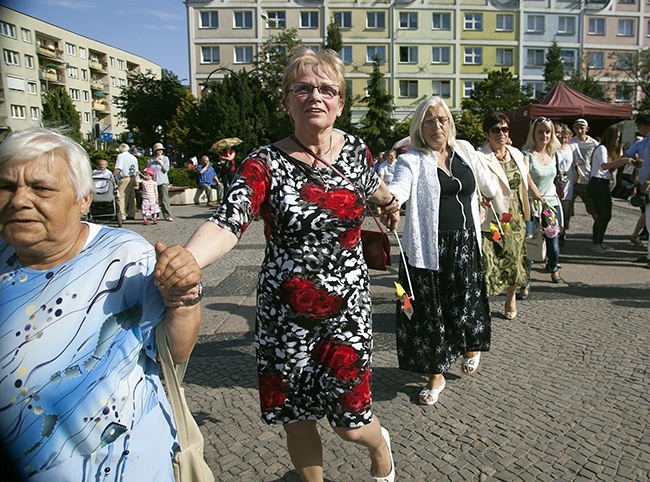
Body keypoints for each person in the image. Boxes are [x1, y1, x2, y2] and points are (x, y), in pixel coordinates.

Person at [154, 47, 398, 482]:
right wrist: (188, 260)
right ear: (286, 102)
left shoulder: (356, 150)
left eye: (327, 88)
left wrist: (389, 202)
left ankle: (381, 448)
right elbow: (228, 220)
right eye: (302, 88)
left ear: (341, 102)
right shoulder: (263, 163)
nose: (315, 97)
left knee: (351, 425)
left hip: (347, 311)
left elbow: (373, 186)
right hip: (284, 315)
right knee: (296, 415)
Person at [0, 128, 203, 480]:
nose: (19, 200)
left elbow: (174, 352)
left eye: (41, 188)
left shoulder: (124, 256)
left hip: (121, 468)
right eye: (5, 186)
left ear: (84, 199)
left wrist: (183, 298)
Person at [384, 96, 497, 406]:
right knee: (430, 311)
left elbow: (488, 185)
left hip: (465, 243)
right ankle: (436, 374)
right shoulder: (412, 159)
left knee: (465, 301)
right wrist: (389, 198)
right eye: (430, 120)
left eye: (442, 119)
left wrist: (490, 190)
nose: (437, 125)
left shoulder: (466, 152)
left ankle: (470, 346)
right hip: (429, 248)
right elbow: (399, 187)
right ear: (420, 126)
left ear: (450, 123)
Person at [477, 112, 532, 319]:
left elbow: (525, 178)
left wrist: (539, 197)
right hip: (492, 217)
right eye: (496, 130)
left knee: (513, 259)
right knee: (488, 261)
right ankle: (483, 302)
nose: (501, 133)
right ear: (487, 133)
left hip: (514, 217)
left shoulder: (517, 154)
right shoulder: (481, 157)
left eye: (504, 129)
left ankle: (511, 299)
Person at [522, 117, 563, 283]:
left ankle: (553, 267)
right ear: (534, 133)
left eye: (547, 132)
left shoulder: (554, 154)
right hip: (532, 205)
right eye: (540, 131)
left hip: (550, 204)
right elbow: (525, 174)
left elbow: (561, 175)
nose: (544, 135)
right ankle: (526, 281)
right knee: (530, 241)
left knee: (552, 242)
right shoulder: (527, 154)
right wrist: (534, 191)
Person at [588, 124, 637, 253]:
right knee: (602, 214)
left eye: (618, 138)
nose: (616, 141)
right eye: (615, 138)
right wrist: (622, 161)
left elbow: (610, 168)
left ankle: (600, 241)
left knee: (607, 215)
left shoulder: (611, 151)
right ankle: (596, 243)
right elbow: (604, 166)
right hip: (597, 182)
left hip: (604, 183)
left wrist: (623, 161)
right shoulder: (602, 148)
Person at [626, 114, 650, 247]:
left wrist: (647, 181)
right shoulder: (643, 142)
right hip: (643, 182)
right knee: (647, 211)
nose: (638, 129)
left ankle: (636, 235)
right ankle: (637, 236)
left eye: (639, 126)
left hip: (647, 183)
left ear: (645, 126)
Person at [568, 119, 597, 221]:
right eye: (576, 128)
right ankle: (563, 232)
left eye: (582, 128)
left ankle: (598, 230)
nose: (579, 130)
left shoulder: (594, 143)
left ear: (587, 129)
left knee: (592, 208)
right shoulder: (570, 143)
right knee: (567, 207)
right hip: (573, 180)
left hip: (587, 179)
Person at [553, 122, 577, 246]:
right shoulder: (553, 148)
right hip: (555, 183)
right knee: (554, 212)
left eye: (565, 136)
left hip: (567, 185)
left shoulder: (571, 148)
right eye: (561, 135)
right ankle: (554, 234)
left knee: (565, 212)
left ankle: (563, 233)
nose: (563, 138)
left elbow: (575, 165)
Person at [148, 142, 173, 222]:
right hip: (153, 182)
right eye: (158, 150)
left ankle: (167, 215)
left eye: (161, 150)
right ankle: (155, 215)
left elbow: (166, 169)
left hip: (163, 181)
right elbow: (149, 171)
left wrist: (161, 163)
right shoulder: (150, 160)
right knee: (154, 200)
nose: (160, 151)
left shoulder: (165, 159)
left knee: (164, 199)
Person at [113, 143, 138, 221]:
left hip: (124, 178)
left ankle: (122, 214)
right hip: (132, 177)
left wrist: (112, 175)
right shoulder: (133, 157)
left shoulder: (121, 156)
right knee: (131, 196)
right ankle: (131, 213)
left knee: (121, 196)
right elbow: (136, 170)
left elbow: (119, 167)